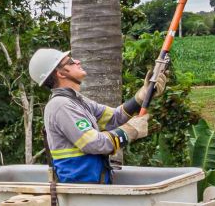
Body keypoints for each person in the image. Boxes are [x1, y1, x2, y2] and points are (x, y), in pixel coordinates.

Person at [28, 48, 167, 184]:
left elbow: (114, 118)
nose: (77, 61)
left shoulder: (77, 100)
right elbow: (94, 143)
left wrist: (143, 95)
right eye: (70, 62)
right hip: (80, 189)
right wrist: (130, 130)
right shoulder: (61, 105)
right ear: (60, 74)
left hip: (93, 185)